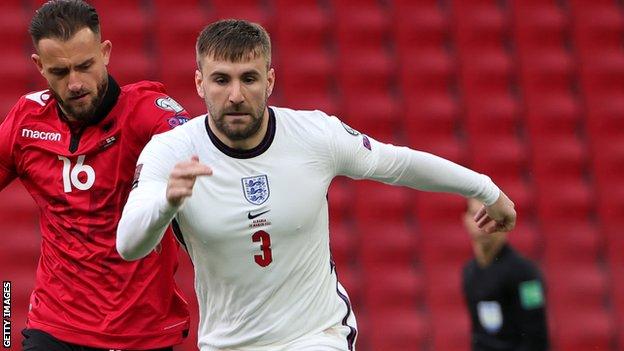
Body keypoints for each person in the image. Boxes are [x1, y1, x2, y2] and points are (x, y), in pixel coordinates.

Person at [116, 19, 517, 351]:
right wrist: (167, 202)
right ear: (200, 83)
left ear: (270, 80)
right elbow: (129, 245)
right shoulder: (171, 151)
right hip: (226, 342)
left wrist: (485, 189)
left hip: (315, 334)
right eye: (221, 80)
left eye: (249, 78)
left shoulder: (314, 134)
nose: (235, 95)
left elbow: (398, 163)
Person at [0, 1, 192, 350]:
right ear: (39, 66)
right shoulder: (27, 120)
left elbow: (202, 155)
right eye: (59, 71)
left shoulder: (149, 114)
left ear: (105, 53)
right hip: (53, 327)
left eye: (85, 66)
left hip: (139, 332)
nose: (75, 83)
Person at [462, 198, 549, 350]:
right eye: (474, 215)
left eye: (488, 216)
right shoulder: (469, 273)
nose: (481, 223)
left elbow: (536, 335)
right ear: (465, 220)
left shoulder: (525, 273)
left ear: (502, 220)